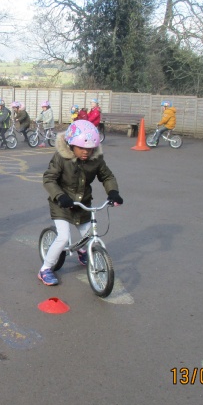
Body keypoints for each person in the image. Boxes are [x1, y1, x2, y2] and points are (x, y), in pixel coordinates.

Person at [37, 120, 123, 286]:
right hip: (61, 203)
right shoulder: (61, 158)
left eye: (90, 149)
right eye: (82, 148)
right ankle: (45, 269)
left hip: (83, 203)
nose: (86, 152)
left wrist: (113, 192)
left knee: (88, 234)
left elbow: (107, 176)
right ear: (71, 145)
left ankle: (83, 251)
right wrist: (60, 196)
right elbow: (49, 179)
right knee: (63, 238)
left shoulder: (96, 159)